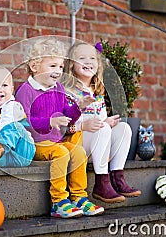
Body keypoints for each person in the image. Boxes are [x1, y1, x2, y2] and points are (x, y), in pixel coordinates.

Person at [15, 37, 104, 218]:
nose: (58, 71)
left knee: (78, 152)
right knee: (61, 153)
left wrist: (78, 107)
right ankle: (58, 201)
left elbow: (68, 118)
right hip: (35, 143)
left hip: (56, 141)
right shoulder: (26, 90)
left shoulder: (59, 89)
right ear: (34, 66)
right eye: (53, 66)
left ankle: (79, 197)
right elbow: (22, 122)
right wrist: (49, 122)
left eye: (61, 67)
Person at [62, 41, 141, 204]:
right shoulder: (66, 90)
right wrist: (84, 125)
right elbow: (62, 127)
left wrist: (107, 122)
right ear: (71, 65)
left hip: (96, 147)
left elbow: (101, 120)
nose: (88, 61)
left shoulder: (96, 91)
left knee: (124, 128)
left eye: (92, 58)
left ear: (98, 65)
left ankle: (117, 178)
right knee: (103, 127)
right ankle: (101, 183)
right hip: (76, 145)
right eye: (81, 58)